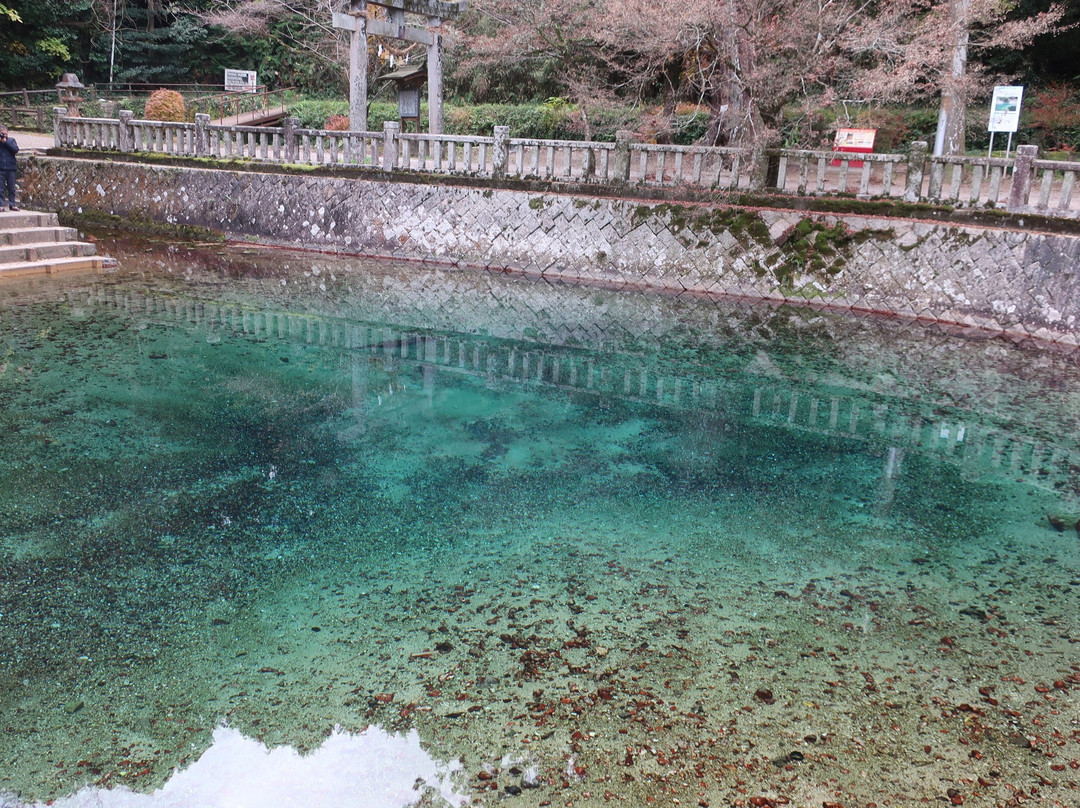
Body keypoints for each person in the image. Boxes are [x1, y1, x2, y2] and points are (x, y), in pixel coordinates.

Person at [0, 125, 19, 211]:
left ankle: (12, 204)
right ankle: (1, 205)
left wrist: (5, 142)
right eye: (2, 134)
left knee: (11, 187)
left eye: (5, 134)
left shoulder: (11, 141)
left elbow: (15, 150)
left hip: (11, 167)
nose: (4, 135)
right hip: (1, 168)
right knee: (1, 188)